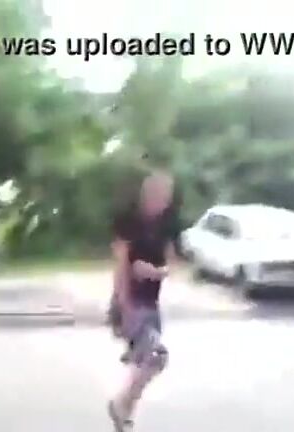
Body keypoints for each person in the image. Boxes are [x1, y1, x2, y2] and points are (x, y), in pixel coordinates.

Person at [107, 171, 179, 432]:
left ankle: (123, 411)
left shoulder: (166, 225)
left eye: (166, 196)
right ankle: (121, 406)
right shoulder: (128, 222)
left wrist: (155, 272)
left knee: (147, 362)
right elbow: (120, 266)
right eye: (157, 194)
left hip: (151, 303)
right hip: (132, 301)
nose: (162, 201)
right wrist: (122, 305)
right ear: (146, 193)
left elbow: (171, 264)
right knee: (155, 357)